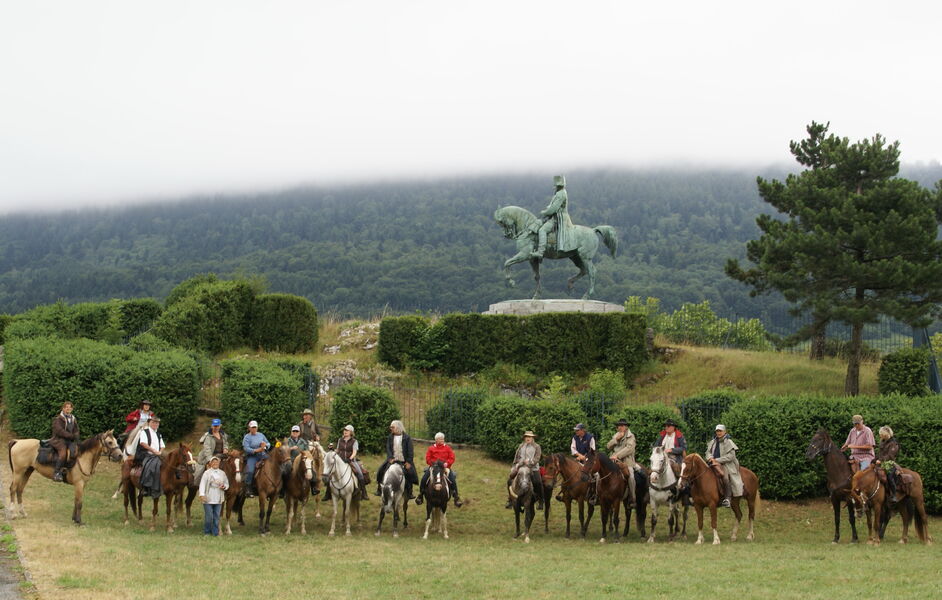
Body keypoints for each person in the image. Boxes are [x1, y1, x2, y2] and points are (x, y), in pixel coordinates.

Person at [532, 175, 577, 259]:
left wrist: (545, 212)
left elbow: (553, 209)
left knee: (542, 230)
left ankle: (540, 252)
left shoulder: (560, 194)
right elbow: (552, 206)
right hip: (555, 216)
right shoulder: (560, 193)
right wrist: (547, 210)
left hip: (558, 218)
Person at [415, 432, 463, 507]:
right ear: (436, 440)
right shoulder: (431, 448)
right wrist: (433, 464)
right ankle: (420, 496)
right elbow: (428, 459)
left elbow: (452, 457)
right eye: (440, 439)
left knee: (452, 480)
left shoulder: (447, 448)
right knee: (424, 479)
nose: (442, 440)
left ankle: (456, 498)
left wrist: (447, 463)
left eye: (443, 439)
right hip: (434, 467)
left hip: (445, 468)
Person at [375, 420, 417, 500]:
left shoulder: (407, 438)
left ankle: (409, 492)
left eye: (392, 427)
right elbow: (388, 449)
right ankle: (379, 489)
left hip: (404, 461)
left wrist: (408, 462)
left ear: (398, 427)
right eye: (390, 427)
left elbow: (410, 451)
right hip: (392, 460)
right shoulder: (390, 437)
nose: (390, 428)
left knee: (409, 474)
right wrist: (390, 458)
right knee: (381, 470)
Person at [505, 431, 544, 510]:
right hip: (521, 467)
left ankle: (540, 501)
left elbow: (537, 458)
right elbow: (516, 457)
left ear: (532, 438)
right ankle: (510, 499)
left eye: (529, 437)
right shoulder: (521, 446)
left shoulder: (537, 446)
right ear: (524, 438)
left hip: (533, 468)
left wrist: (529, 462)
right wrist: (514, 466)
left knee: (538, 482)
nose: (528, 438)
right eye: (526, 437)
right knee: (509, 480)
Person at [706, 424, 741, 508]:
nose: (718, 433)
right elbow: (707, 452)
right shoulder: (713, 442)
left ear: (725, 432)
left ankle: (727, 499)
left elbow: (731, 456)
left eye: (720, 431)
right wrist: (710, 458)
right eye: (717, 431)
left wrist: (717, 460)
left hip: (725, 464)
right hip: (712, 463)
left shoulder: (729, 442)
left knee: (725, 477)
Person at [332, 425, 368, 501]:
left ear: (351, 432)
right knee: (330, 472)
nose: (345, 431)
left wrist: (349, 459)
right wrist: (332, 450)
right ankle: (328, 493)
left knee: (360, 474)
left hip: (351, 461)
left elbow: (354, 452)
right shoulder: (340, 440)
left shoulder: (354, 441)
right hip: (340, 461)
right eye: (344, 430)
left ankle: (364, 493)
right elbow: (338, 450)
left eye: (347, 430)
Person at [606, 418, 637, 504]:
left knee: (631, 476)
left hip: (627, 462)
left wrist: (617, 455)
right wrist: (616, 439)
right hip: (613, 461)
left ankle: (632, 497)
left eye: (621, 425)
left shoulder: (631, 436)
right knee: (600, 473)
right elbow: (608, 446)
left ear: (626, 427)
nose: (619, 427)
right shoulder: (616, 435)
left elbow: (629, 449)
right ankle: (597, 495)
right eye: (618, 426)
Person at [198, 455, 229, 536]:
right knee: (209, 517)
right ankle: (207, 532)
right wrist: (202, 494)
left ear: (219, 463)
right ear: (211, 463)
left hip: (218, 497)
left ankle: (215, 532)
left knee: (217, 516)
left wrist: (224, 487)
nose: (215, 463)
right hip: (208, 497)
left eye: (216, 462)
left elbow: (226, 483)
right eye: (213, 462)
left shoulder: (222, 473)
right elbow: (202, 484)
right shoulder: (207, 473)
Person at [50, 400, 79, 482]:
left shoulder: (73, 419)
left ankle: (68, 470)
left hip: (69, 441)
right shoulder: (58, 419)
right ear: (63, 408)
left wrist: (76, 435)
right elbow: (59, 431)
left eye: (70, 407)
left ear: (72, 409)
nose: (68, 409)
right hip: (59, 440)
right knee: (63, 454)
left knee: (75, 452)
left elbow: (76, 429)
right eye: (66, 407)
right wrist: (71, 436)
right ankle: (56, 473)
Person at [136, 416, 165, 499]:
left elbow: (162, 446)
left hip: (157, 455)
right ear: (149, 423)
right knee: (150, 466)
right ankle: (145, 487)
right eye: (153, 422)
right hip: (145, 454)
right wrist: (153, 451)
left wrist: (160, 452)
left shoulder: (158, 434)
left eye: (157, 423)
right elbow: (143, 443)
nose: (155, 424)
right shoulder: (144, 432)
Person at [194, 418, 229, 485]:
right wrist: (211, 460)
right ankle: (199, 484)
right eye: (214, 426)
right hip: (210, 456)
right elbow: (207, 449)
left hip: (221, 455)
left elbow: (226, 443)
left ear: (220, 426)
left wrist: (225, 448)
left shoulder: (223, 434)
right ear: (212, 426)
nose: (216, 428)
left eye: (217, 426)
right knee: (199, 472)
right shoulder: (208, 436)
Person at [874, 425, 902, 503]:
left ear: (885, 434)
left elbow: (890, 455)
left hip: (890, 464)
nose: (880, 436)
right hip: (881, 463)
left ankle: (894, 494)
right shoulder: (882, 442)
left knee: (889, 476)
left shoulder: (894, 443)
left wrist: (881, 460)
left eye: (881, 434)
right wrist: (874, 459)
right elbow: (880, 453)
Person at [242, 420, 270, 498]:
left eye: (255, 427)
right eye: (252, 427)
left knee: (273, 464)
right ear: (249, 428)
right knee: (250, 471)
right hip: (252, 456)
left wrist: (265, 446)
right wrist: (256, 450)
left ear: (257, 428)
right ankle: (248, 488)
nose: (254, 429)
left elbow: (268, 443)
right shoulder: (247, 437)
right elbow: (246, 448)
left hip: (262, 455)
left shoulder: (261, 435)